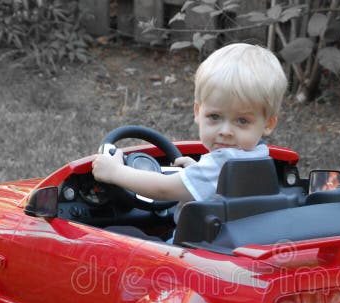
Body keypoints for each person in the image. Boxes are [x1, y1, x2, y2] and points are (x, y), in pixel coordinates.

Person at [91, 42, 288, 217]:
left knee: (121, 233)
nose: (226, 131)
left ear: (268, 124)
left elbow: (163, 189)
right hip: (229, 247)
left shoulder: (223, 163)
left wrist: (115, 172)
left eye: (242, 121)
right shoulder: (260, 157)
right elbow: (216, 186)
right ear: (198, 112)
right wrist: (195, 171)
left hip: (197, 250)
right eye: (215, 117)